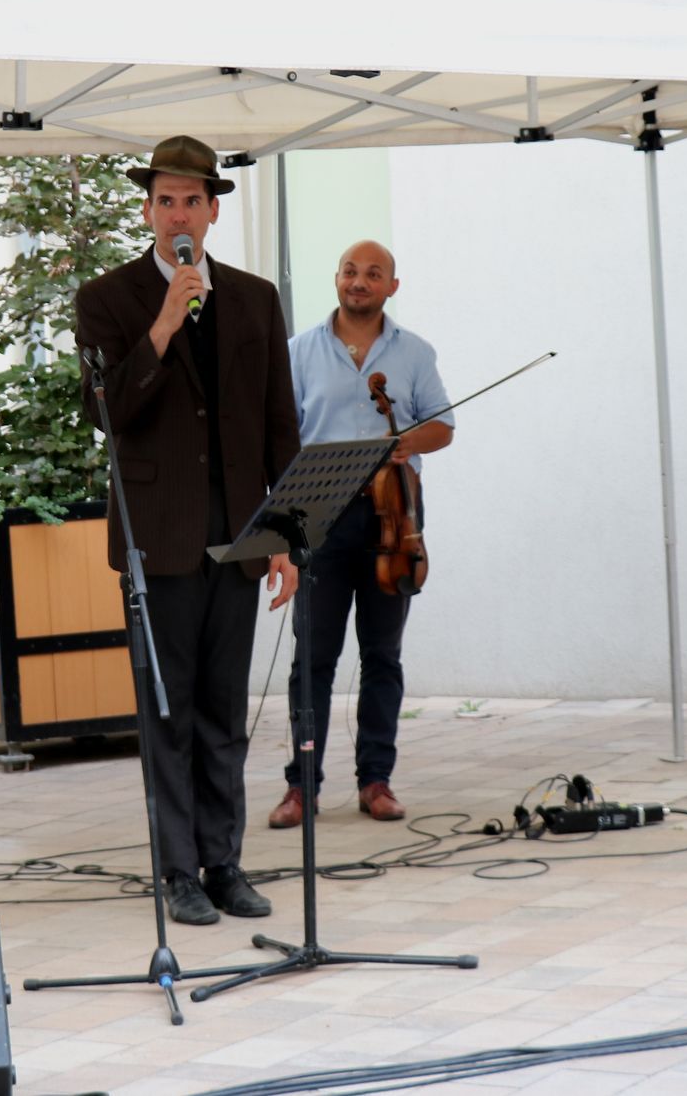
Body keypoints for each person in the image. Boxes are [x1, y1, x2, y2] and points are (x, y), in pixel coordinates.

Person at [74, 134, 300, 927]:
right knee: (168, 712)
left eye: (191, 201)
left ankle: (224, 862)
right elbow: (105, 411)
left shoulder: (255, 298)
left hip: (239, 532)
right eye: (165, 201)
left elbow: (279, 422)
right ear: (148, 211)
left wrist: (286, 534)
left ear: (212, 212)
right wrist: (163, 325)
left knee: (223, 711)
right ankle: (178, 870)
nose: (178, 213)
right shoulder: (108, 299)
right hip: (157, 538)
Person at [266, 242, 453, 831]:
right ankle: (302, 786)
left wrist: (407, 441)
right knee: (312, 661)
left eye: (374, 274)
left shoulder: (415, 352)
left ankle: (376, 780)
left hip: (391, 521)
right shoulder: (298, 351)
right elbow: (281, 435)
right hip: (318, 519)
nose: (359, 281)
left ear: (392, 286)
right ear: (336, 279)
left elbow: (443, 425)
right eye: (350, 271)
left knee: (382, 657)